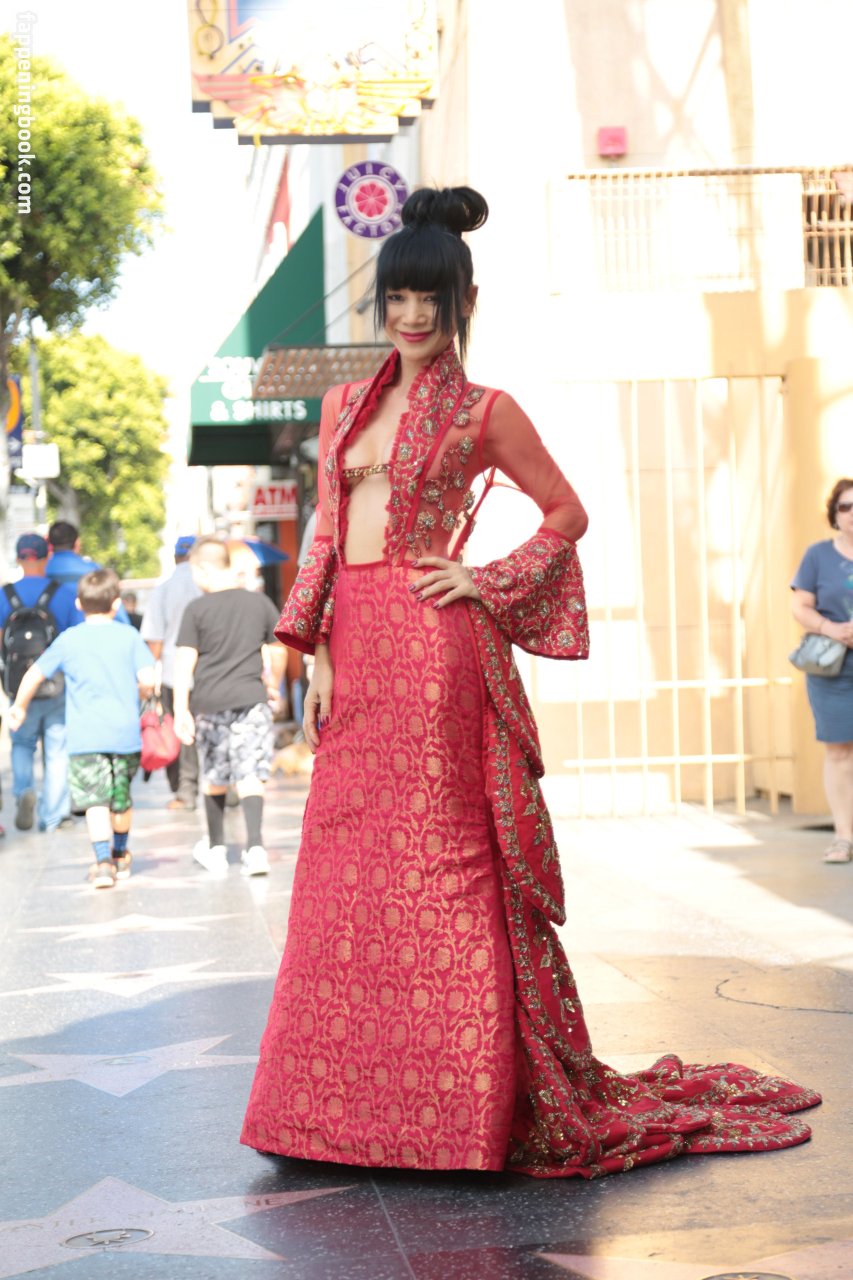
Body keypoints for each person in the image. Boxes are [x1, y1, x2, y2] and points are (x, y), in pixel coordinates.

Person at [240, 186, 819, 1178]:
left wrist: (485, 578)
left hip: (436, 653)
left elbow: (566, 510)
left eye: (430, 300)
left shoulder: (485, 411)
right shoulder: (342, 405)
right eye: (396, 298)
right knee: (345, 877)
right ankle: (333, 1110)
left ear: (463, 302)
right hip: (357, 658)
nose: (411, 316)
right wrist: (315, 651)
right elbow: (329, 533)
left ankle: (457, 1113)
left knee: (444, 869)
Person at [8, 568, 155, 888]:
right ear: (116, 603)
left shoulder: (69, 639)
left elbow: (34, 674)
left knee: (95, 801)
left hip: (86, 737)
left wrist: (19, 706)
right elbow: (148, 679)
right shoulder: (129, 636)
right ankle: (120, 855)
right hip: (125, 734)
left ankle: (102, 864)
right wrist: (143, 694)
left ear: (78, 603)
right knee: (121, 799)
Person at [172, 537, 285, 877]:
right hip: (251, 700)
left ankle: (217, 849)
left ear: (203, 570)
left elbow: (184, 661)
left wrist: (180, 709)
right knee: (251, 775)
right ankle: (255, 850)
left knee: (215, 776)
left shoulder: (196, 610)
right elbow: (278, 649)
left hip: (210, 704)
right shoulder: (258, 603)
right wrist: (272, 684)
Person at [0, 533, 82, 833]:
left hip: (18, 683)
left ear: (19, 559)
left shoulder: (4, 595)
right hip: (55, 682)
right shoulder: (63, 593)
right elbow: (76, 640)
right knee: (57, 748)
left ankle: (24, 791)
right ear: (46, 558)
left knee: (22, 743)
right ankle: (54, 815)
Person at [791, 477, 853, 863]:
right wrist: (832, 629)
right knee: (839, 751)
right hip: (834, 667)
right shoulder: (817, 556)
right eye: (845, 506)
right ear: (834, 514)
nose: (852, 513)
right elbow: (800, 606)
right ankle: (843, 837)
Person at [140, 535, 202, 809]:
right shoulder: (207, 585)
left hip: (173, 673)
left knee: (177, 731)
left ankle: (184, 792)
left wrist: (150, 674)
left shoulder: (163, 590)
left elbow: (154, 640)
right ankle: (228, 786)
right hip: (209, 671)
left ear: (176, 557)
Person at [46, 520, 132, 625]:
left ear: (49, 544)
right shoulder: (93, 571)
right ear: (77, 543)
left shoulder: (41, 571)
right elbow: (119, 617)